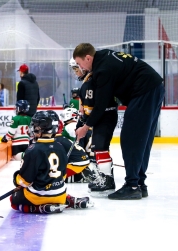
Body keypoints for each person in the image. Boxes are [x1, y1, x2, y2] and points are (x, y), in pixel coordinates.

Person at [73, 43, 165, 200]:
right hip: (153, 87)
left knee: (131, 138)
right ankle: (139, 183)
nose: (81, 68)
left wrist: (85, 126)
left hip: (144, 91)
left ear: (88, 58)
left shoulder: (103, 70)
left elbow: (100, 105)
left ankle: (132, 186)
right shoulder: (104, 57)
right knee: (143, 138)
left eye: (80, 63)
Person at [10, 111, 94, 215]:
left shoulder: (32, 150)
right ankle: (67, 200)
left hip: (38, 196)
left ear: (40, 128)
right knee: (55, 192)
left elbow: (25, 182)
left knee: (13, 201)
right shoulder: (60, 146)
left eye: (35, 125)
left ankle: (40, 208)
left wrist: (16, 178)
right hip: (60, 193)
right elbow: (63, 176)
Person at [70, 58, 118, 197]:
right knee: (99, 148)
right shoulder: (90, 80)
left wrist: (84, 124)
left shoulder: (90, 82)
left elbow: (90, 108)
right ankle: (106, 177)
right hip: (105, 116)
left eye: (76, 67)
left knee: (100, 147)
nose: (76, 71)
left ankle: (107, 180)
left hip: (104, 117)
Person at [47, 110, 97, 184]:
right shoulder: (82, 126)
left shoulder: (69, 127)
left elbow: (76, 144)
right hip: (94, 160)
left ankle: (79, 176)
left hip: (81, 162)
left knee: (54, 178)